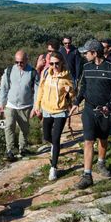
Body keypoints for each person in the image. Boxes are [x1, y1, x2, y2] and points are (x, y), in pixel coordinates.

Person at [69, 39, 111, 189]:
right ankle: (87, 175)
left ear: (94, 53)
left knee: (103, 139)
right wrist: (76, 103)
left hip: (105, 112)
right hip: (89, 110)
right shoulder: (86, 67)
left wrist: (109, 106)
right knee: (88, 141)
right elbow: (83, 88)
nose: (84, 55)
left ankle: (101, 163)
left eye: (86, 52)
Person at [33, 52, 75, 181]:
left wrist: (70, 92)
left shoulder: (67, 76)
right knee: (47, 136)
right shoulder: (46, 73)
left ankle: (53, 168)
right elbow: (41, 89)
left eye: (57, 63)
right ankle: (54, 146)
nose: (54, 66)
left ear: (62, 62)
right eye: (51, 63)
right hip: (46, 109)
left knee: (56, 138)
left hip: (60, 111)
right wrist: (37, 105)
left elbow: (73, 94)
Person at [0, 50, 39, 161]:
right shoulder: (9, 71)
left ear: (26, 60)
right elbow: (4, 88)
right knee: (9, 126)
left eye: (21, 62)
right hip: (10, 105)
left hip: (25, 106)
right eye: (17, 62)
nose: (19, 64)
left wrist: (36, 107)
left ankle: (23, 149)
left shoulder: (33, 72)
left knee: (24, 129)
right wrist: (1, 103)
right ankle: (10, 150)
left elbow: (37, 91)